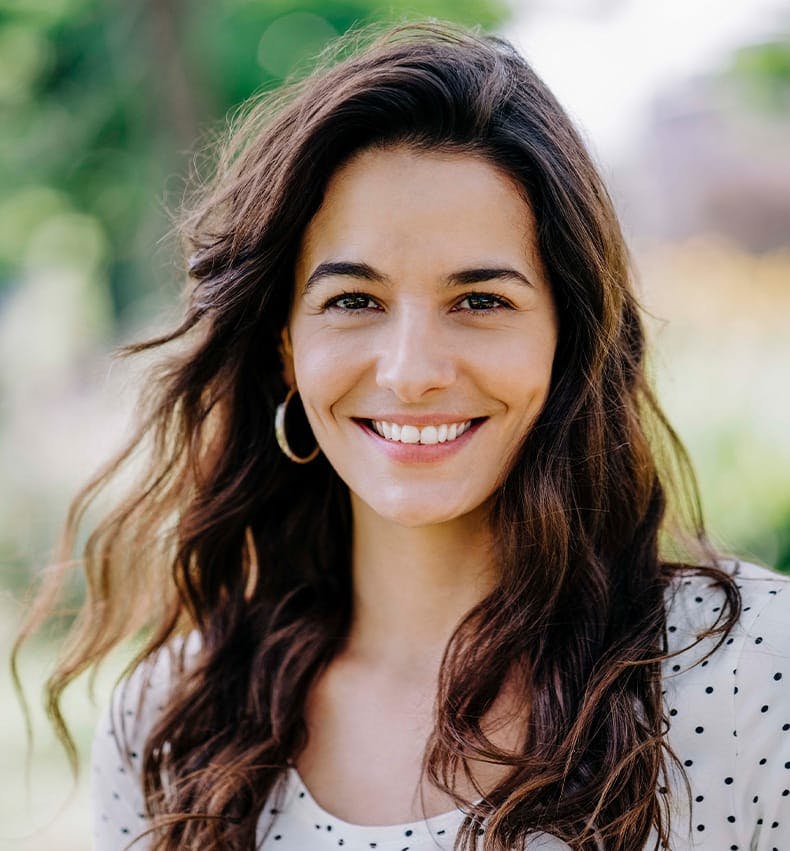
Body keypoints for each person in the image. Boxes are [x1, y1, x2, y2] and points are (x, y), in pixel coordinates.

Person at [14, 20, 789, 851]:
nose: (411, 370)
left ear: (567, 337)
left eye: (481, 301)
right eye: (354, 300)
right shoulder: (173, 715)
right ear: (285, 344)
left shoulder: (753, 670)